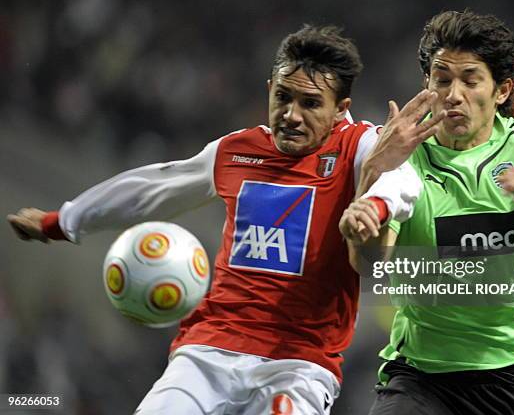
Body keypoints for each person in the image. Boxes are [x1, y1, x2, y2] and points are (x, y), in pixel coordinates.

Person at [7, 25, 444, 414]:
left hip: (299, 365)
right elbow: (153, 187)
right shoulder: (236, 150)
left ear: (339, 108)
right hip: (208, 351)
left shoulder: (360, 147)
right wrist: (61, 221)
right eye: (283, 97)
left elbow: (398, 177)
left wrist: (376, 206)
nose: (291, 115)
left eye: (310, 103)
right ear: (270, 88)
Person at [340, 10, 514, 415]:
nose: (453, 94)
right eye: (442, 79)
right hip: (425, 376)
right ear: (427, 84)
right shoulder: (404, 153)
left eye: (470, 80)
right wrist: (364, 221)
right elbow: (371, 266)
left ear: (501, 90)